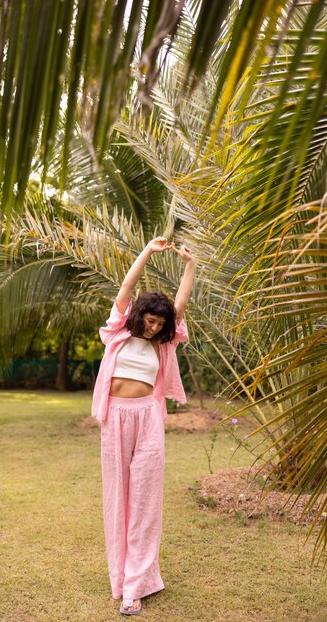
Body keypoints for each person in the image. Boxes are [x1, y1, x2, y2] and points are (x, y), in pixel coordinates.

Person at [91, 236, 195, 616]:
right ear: (138, 316)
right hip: (115, 417)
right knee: (117, 498)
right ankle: (120, 579)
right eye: (150, 321)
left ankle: (137, 584)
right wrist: (148, 252)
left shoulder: (163, 345)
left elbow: (180, 303)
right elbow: (127, 286)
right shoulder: (119, 331)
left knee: (146, 500)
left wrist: (189, 264)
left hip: (148, 419)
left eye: (160, 323)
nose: (153, 328)